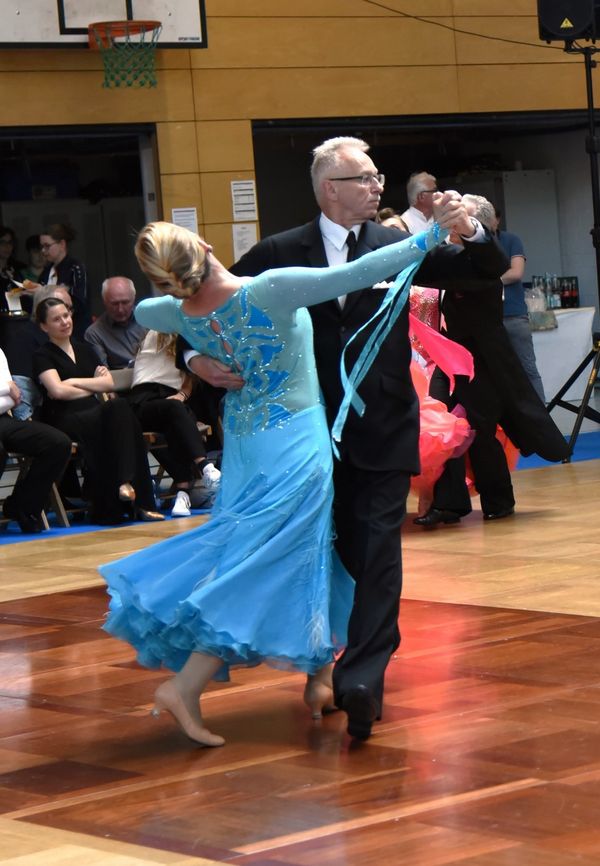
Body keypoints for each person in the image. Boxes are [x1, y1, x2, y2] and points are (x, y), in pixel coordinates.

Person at [98, 207, 470, 748]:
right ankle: (187, 685)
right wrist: (432, 236)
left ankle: (319, 677)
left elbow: (153, 312)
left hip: (247, 447)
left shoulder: (175, 311)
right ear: (203, 245)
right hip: (296, 444)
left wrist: (199, 352)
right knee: (270, 562)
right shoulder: (270, 289)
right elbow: (357, 274)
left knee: (306, 552)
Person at [214, 137, 509, 740]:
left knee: (379, 555)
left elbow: (482, 267)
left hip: (381, 426)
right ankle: (319, 667)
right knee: (326, 553)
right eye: (366, 179)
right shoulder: (278, 252)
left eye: (378, 178)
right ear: (330, 188)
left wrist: (471, 229)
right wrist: (199, 361)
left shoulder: (395, 247)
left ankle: (363, 680)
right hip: (304, 436)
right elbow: (214, 313)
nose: (379, 187)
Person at [414, 194, 568, 528]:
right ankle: (449, 503)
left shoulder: (484, 267)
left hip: (480, 359)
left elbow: (444, 278)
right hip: (450, 358)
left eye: (462, 222)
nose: (454, 228)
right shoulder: (451, 259)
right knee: (441, 424)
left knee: (478, 429)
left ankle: (498, 500)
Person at [32, 297, 163, 525]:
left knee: (120, 409)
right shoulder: (42, 355)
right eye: (56, 319)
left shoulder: (86, 350)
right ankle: (140, 499)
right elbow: (58, 392)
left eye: (66, 315)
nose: (64, 322)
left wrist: (72, 382)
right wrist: (90, 384)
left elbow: (108, 385)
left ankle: (125, 485)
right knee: (120, 413)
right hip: (64, 418)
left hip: (96, 413)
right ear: (44, 326)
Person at [127, 329, 221, 517]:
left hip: (170, 404)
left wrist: (182, 395)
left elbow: (189, 379)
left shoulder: (187, 340)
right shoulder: (154, 333)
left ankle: (182, 493)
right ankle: (204, 467)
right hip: (143, 402)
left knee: (175, 422)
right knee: (177, 412)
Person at [0, 347, 72, 534]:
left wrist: (9, 391)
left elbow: (14, 398)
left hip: (4, 419)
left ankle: (22, 506)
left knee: (58, 443)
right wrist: (7, 388)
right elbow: (10, 389)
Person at [491, 206, 545, 402]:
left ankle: (541, 416)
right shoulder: (468, 242)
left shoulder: (510, 240)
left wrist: (487, 282)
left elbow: (516, 272)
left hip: (513, 314)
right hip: (487, 316)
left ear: (497, 220)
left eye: (490, 217)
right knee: (495, 372)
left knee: (527, 368)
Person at [84, 277, 147, 369]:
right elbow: (103, 374)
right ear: (104, 301)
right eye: (114, 304)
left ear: (133, 299)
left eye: (125, 302)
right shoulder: (94, 333)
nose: (120, 309)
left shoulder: (149, 320)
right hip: (121, 381)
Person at [38, 223, 90, 325]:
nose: (43, 251)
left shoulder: (76, 268)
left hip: (75, 327)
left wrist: (41, 291)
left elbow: (79, 303)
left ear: (62, 244)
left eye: (47, 246)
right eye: (42, 246)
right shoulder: (47, 271)